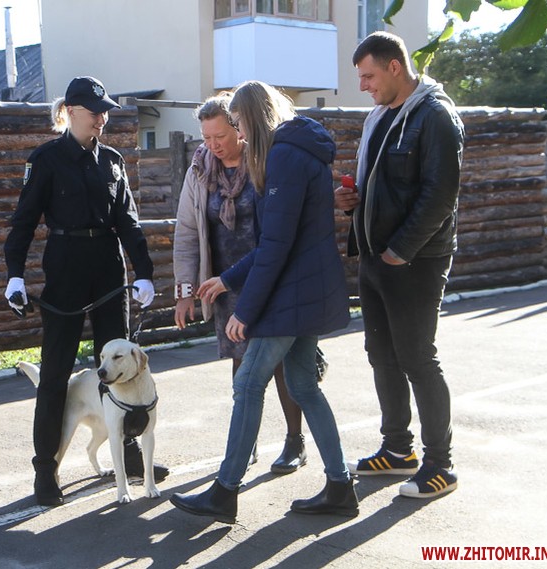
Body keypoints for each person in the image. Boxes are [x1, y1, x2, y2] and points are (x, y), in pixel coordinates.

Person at [169, 81, 356, 524]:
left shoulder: (284, 156)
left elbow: (276, 244)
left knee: (248, 383)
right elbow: (280, 239)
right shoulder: (298, 149)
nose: (237, 132)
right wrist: (227, 279)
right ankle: (340, 486)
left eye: (236, 123)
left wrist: (245, 311)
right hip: (305, 289)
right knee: (304, 386)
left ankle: (225, 490)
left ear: (253, 116)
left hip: (291, 294)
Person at [3, 76, 168, 506]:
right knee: (55, 372)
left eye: (105, 112)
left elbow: (129, 222)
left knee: (122, 368)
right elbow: (23, 221)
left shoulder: (112, 160)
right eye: (95, 112)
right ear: (71, 112)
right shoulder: (45, 160)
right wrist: (14, 275)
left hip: (108, 269)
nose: (102, 119)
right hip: (65, 269)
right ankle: (45, 469)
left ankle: (129, 454)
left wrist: (144, 273)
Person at [336, 32, 464, 499]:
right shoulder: (380, 116)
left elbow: (440, 195)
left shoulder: (436, 116)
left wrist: (399, 251)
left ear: (395, 66)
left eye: (368, 76)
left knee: (417, 359)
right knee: (382, 355)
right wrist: (351, 200)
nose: (363, 86)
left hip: (414, 260)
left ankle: (440, 467)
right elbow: (383, 185)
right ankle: (397, 450)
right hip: (375, 256)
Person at [173, 93, 308, 475]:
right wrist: (185, 291)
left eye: (219, 136)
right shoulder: (200, 170)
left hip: (269, 278)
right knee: (240, 361)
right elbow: (186, 232)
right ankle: (245, 443)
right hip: (225, 284)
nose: (213, 145)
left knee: (279, 362)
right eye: (206, 137)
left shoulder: (264, 160)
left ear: (238, 128)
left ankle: (294, 441)